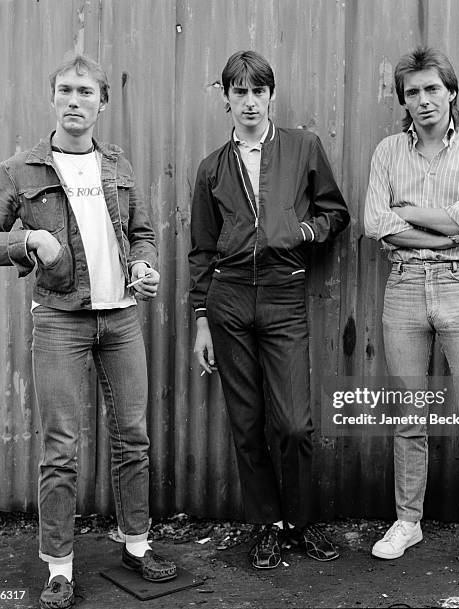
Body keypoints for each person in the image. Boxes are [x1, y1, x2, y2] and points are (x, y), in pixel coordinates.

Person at [0, 54, 176, 609]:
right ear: (53, 98)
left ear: (102, 103)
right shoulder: (21, 171)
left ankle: (137, 543)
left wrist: (146, 264)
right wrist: (28, 242)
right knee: (61, 446)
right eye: (65, 90)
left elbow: (142, 231)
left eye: (86, 92)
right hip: (60, 318)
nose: (74, 100)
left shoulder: (118, 165)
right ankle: (58, 568)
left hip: (122, 316)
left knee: (133, 437)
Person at [189, 50, 349, 569]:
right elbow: (201, 249)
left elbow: (335, 213)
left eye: (258, 91)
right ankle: (266, 525)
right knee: (246, 421)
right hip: (229, 297)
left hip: (283, 293)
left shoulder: (303, 147)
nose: (250, 101)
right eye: (239, 92)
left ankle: (301, 523)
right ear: (226, 98)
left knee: (294, 424)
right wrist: (201, 320)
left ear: (271, 95)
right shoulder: (211, 167)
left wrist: (303, 232)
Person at [363, 47, 459, 573]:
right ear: (403, 100)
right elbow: (377, 222)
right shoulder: (386, 153)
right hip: (402, 288)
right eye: (413, 92)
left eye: (432, 90)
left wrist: (414, 216)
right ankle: (408, 521)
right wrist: (444, 228)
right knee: (408, 416)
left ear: (451, 92)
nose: (423, 101)